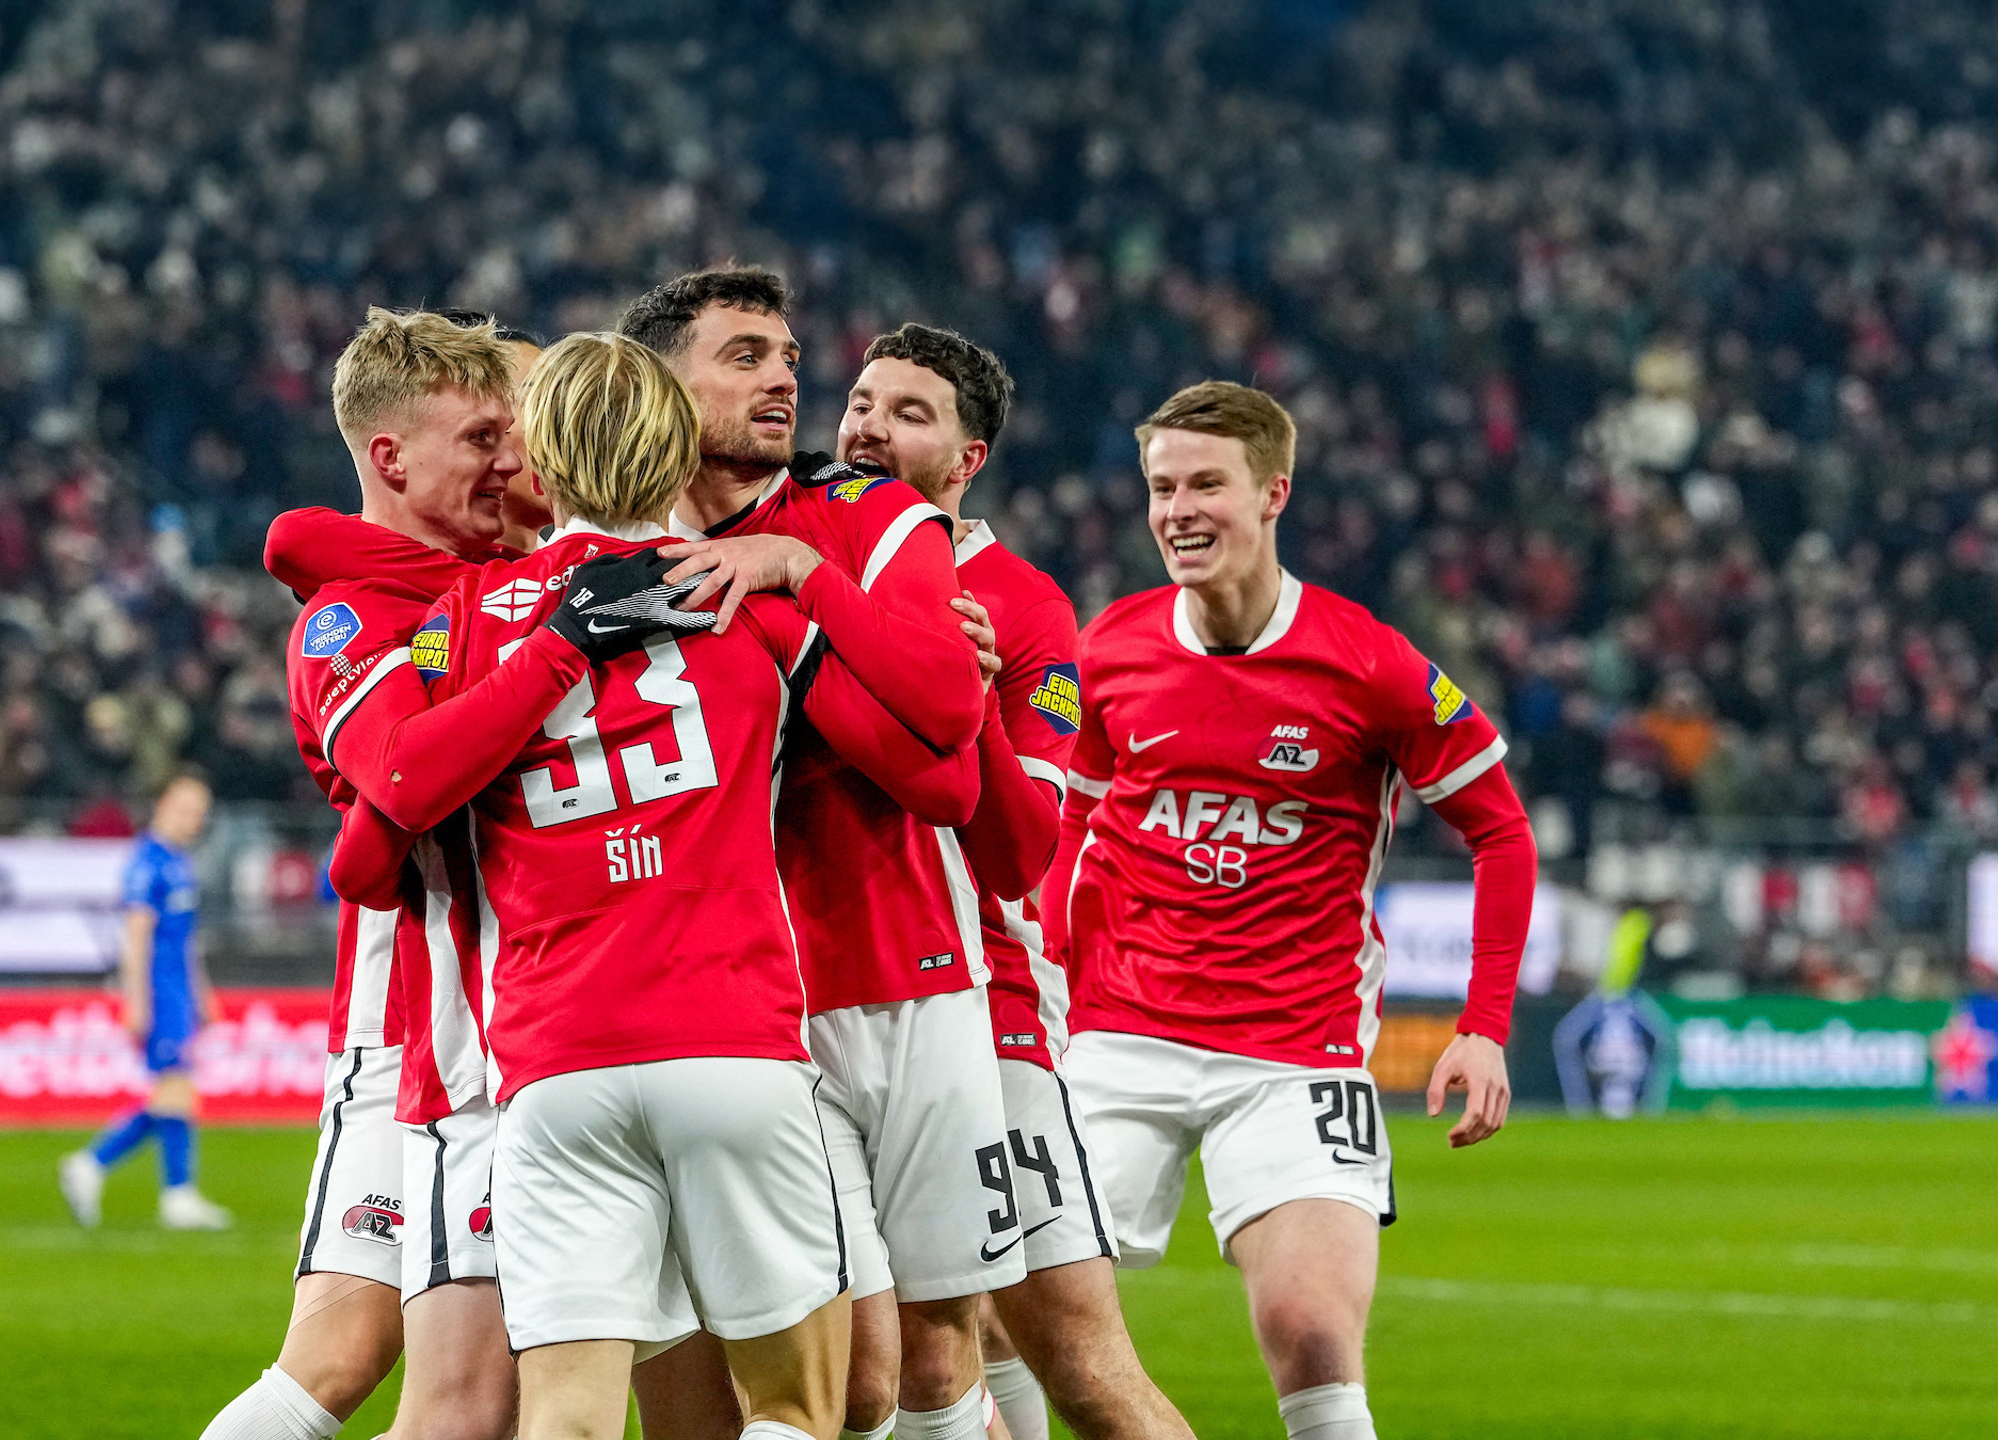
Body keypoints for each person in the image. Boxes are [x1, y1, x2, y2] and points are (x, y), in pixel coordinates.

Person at [325, 332, 982, 1440]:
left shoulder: (463, 623)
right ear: (678, 453)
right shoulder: (745, 602)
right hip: (734, 1046)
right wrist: (825, 590)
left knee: (567, 1421)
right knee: (795, 1406)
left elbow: (367, 850)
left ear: (539, 457)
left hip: (554, 1064)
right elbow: (941, 773)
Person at [1043, 382, 1537, 1440]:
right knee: (1012, 1318)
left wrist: (1484, 1025)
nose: (1178, 510)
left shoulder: (1371, 663)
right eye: (1161, 488)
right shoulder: (1109, 647)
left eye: (1205, 485)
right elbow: (1068, 828)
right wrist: (1043, 994)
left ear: (1273, 494)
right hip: (1117, 1037)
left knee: (1310, 1327)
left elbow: (1500, 830)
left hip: (1293, 1049)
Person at [624, 270, 1012, 1440]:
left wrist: (794, 579)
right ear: (660, 383)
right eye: (744, 355)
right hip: (746, 1009)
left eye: (788, 356)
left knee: (941, 1354)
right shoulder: (618, 549)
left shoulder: (870, 514)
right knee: (846, 1379)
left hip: (916, 979)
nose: (784, 378)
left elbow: (948, 749)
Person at [839, 325, 1196, 1440]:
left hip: (982, 1012)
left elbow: (1024, 848)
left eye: (909, 414)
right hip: (813, 1006)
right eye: (861, 403)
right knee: (878, 1369)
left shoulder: (1019, 603)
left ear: (968, 459)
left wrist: (976, 701)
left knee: (1072, 1361)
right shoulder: (793, 551)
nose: (868, 429)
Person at [204, 308, 529, 1440]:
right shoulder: (345, 619)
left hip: (514, 1014)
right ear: (389, 457)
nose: (509, 461)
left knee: (448, 1390)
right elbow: (397, 789)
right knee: (376, 1370)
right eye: (481, 438)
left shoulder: (502, 582)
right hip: (410, 1028)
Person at [60, 772, 232, 1231]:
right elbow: (135, 936)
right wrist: (136, 1000)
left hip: (178, 990)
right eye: (185, 809)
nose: (193, 820)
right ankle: (163, 1189)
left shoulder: (180, 861)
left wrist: (202, 994)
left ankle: (99, 1168)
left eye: (199, 813)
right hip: (158, 990)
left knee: (175, 1093)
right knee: (175, 1089)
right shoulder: (146, 861)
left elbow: (187, 939)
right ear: (162, 804)